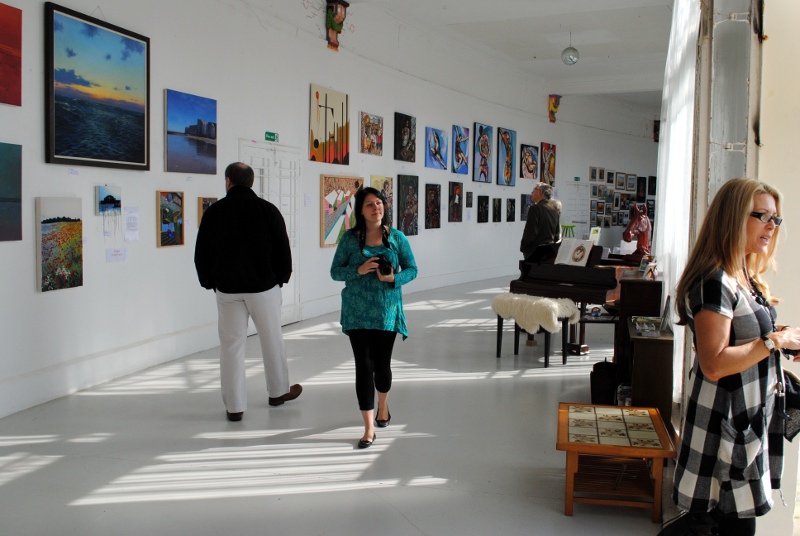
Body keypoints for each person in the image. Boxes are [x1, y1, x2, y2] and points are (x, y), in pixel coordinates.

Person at [672, 178, 800, 535]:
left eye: (777, 219)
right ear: (733, 217)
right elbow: (714, 363)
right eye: (763, 216)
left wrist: (782, 340)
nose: (772, 227)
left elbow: (746, 338)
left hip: (743, 423)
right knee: (726, 526)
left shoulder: (743, 274)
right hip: (723, 430)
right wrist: (773, 342)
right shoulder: (715, 279)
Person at [194, 162, 302, 422]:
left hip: (228, 290)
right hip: (263, 288)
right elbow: (282, 250)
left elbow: (202, 254)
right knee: (272, 339)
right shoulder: (268, 210)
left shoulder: (214, 212)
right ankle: (277, 392)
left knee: (231, 347)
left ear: (228, 181)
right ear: (251, 182)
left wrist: (210, 282)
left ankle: (234, 407)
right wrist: (281, 279)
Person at [330, 187, 418, 449]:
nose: (376, 207)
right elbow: (335, 272)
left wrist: (393, 278)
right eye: (369, 204)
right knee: (363, 367)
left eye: (379, 203)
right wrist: (357, 270)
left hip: (386, 311)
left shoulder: (397, 238)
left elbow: (412, 268)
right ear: (361, 210)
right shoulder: (349, 239)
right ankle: (369, 429)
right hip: (357, 312)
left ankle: (383, 406)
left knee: (382, 367)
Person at [520, 182, 561, 261]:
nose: (531, 192)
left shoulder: (535, 209)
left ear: (540, 192)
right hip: (549, 252)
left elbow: (530, 232)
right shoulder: (555, 209)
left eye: (534, 190)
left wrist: (524, 248)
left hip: (535, 253)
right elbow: (557, 233)